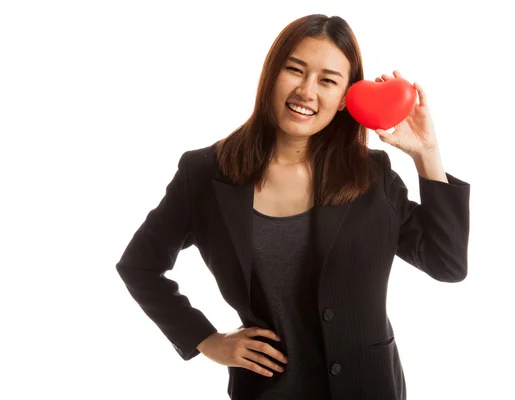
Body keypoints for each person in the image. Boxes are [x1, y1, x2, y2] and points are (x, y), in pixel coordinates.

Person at [115, 13, 470, 400]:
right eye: (295, 70)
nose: (306, 90)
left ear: (343, 99)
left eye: (328, 80)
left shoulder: (372, 175)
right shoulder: (203, 175)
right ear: (271, 74)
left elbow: (446, 264)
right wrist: (207, 340)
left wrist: (426, 154)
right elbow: (140, 266)